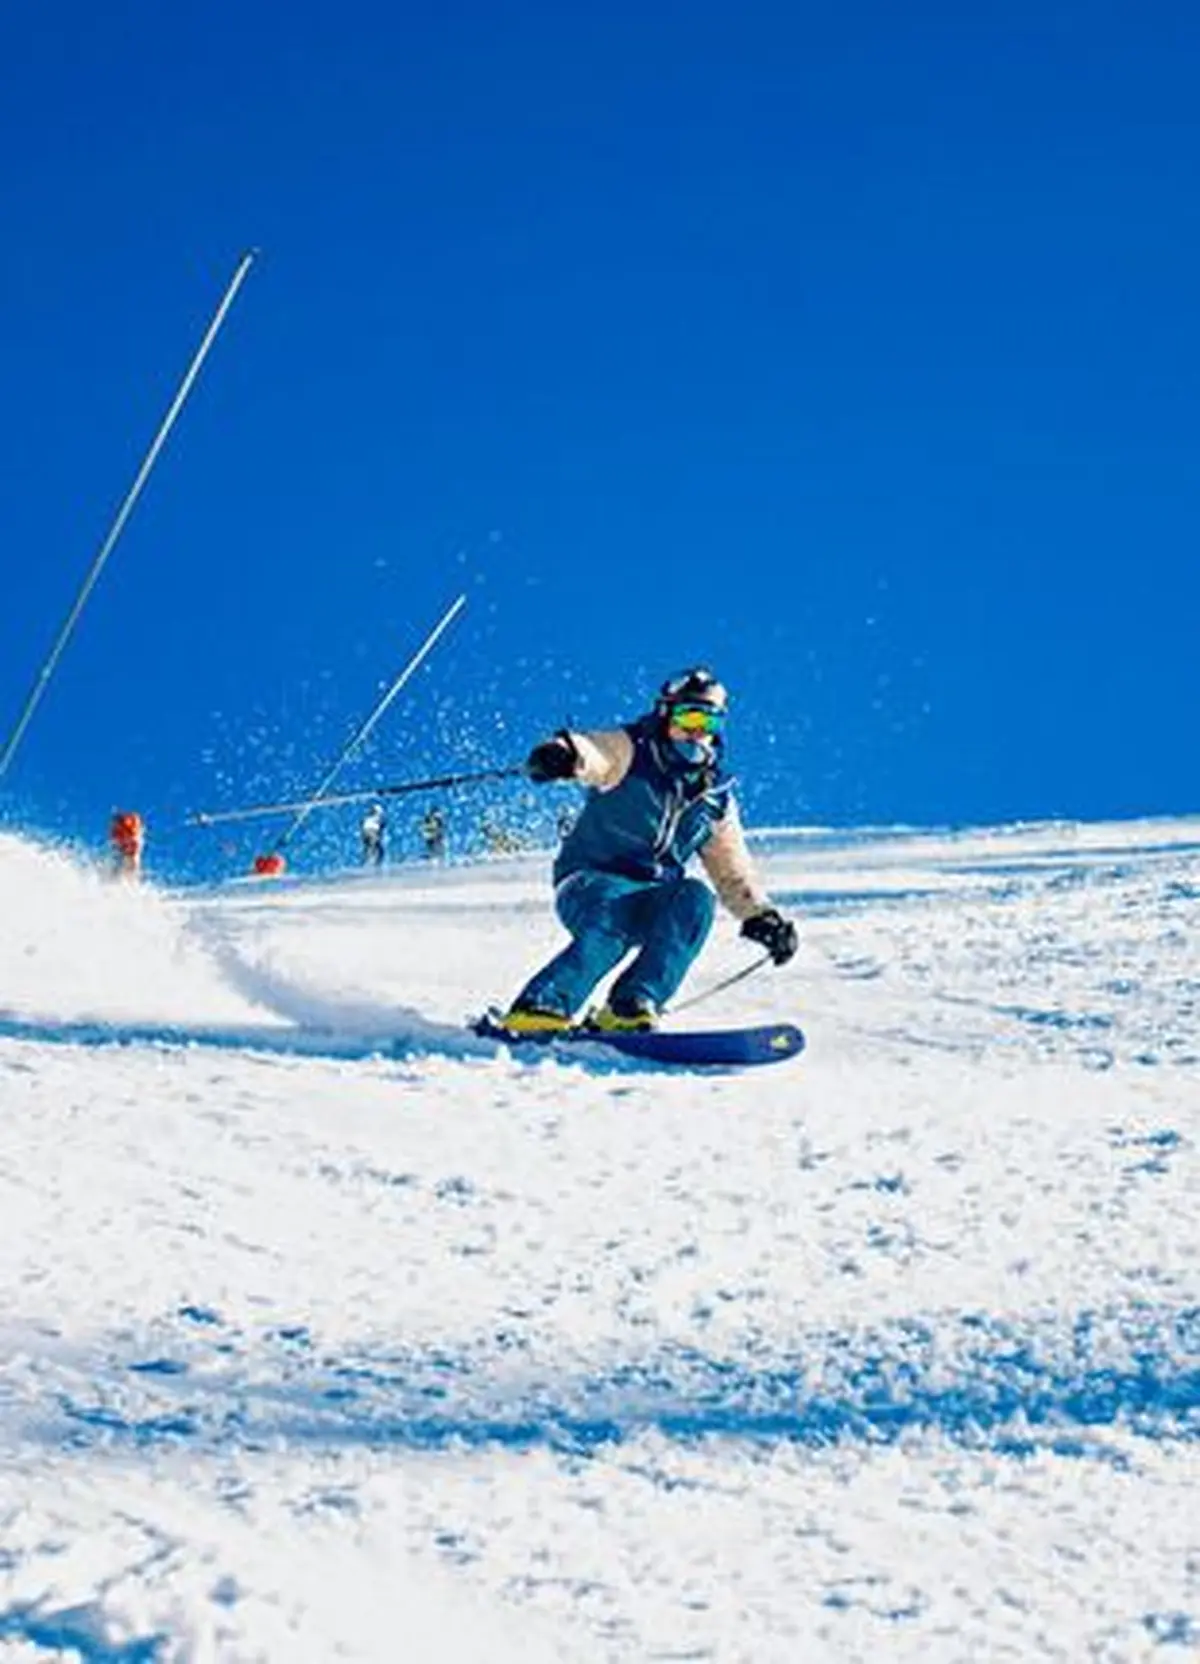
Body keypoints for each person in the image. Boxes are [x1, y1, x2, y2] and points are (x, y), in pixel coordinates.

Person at [498, 666, 798, 1034]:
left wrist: (761, 916)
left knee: (696, 899)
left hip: (653, 895)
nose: (696, 729)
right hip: (592, 880)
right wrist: (562, 754)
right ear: (665, 714)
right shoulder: (632, 750)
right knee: (612, 923)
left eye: (709, 721)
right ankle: (542, 1006)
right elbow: (594, 751)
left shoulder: (714, 796)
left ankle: (631, 1006)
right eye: (688, 715)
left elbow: (731, 869)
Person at [109, 809, 145, 879]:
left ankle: (131, 882)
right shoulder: (116, 832)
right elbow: (114, 843)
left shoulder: (131, 829)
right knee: (118, 869)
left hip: (131, 853)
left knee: (131, 869)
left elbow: (136, 843)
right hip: (124, 852)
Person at [360, 802, 387, 866]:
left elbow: (361, 823)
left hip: (366, 831)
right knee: (377, 849)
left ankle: (367, 862)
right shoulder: (378, 818)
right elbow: (381, 829)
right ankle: (374, 864)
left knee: (368, 848)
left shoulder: (367, 819)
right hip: (372, 831)